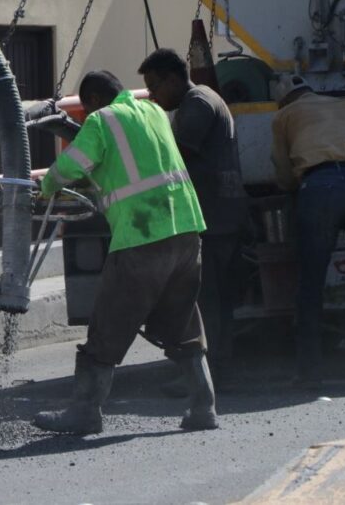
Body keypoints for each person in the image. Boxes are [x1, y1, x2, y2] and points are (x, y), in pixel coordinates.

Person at [32, 70, 217, 435]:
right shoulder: (154, 113)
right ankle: (204, 407)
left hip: (141, 234)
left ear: (96, 100)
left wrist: (47, 185)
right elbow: (133, 164)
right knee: (182, 319)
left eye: (85, 108)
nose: (85, 116)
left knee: (109, 322)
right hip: (185, 230)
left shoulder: (102, 120)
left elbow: (72, 165)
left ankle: (85, 411)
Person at [270, 75, 345, 387]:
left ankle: (310, 372)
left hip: (320, 186)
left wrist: (294, 188)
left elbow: (283, 172)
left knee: (311, 282)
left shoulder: (284, 115)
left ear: (284, 100)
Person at [138, 49, 248, 376]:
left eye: (155, 86)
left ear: (173, 78)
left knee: (205, 299)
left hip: (213, 216)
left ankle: (209, 376)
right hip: (217, 214)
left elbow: (177, 157)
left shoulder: (197, 104)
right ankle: (219, 370)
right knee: (214, 298)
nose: (153, 95)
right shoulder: (197, 101)